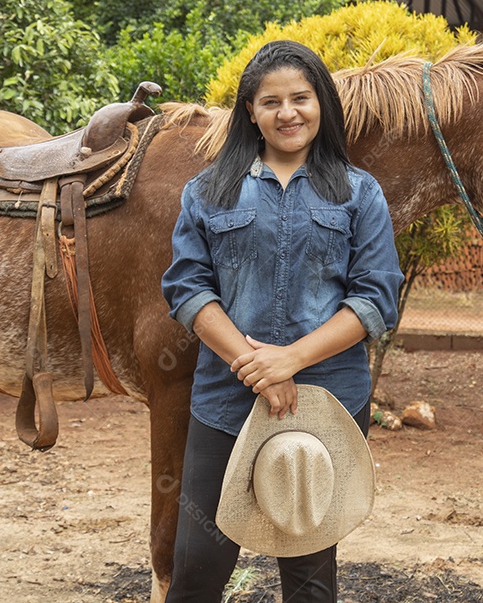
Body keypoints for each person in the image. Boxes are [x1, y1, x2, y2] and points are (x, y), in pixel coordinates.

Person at [160, 39, 403, 602]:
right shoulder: (207, 191)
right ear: (250, 111)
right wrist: (258, 367)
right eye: (271, 101)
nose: (287, 112)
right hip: (226, 398)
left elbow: (374, 299)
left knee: (310, 573)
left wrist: (290, 359)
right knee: (198, 565)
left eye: (301, 97)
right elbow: (188, 288)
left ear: (321, 103)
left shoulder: (358, 193)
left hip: (327, 401)